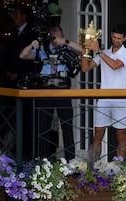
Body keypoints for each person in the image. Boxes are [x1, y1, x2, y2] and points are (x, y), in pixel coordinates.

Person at [19, 24, 82, 161]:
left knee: (66, 125)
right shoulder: (43, 49)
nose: (55, 36)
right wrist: (31, 44)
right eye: (53, 34)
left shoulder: (67, 47)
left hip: (63, 89)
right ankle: (44, 160)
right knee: (43, 126)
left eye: (57, 33)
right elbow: (23, 55)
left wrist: (64, 41)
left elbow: (83, 51)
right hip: (45, 90)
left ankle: (70, 160)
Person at [81, 24, 126, 160]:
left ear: (124, 39)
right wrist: (84, 49)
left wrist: (98, 51)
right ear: (111, 36)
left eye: (119, 38)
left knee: (121, 134)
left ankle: (119, 168)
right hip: (104, 98)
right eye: (114, 37)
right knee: (98, 133)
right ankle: (91, 168)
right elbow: (85, 68)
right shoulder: (105, 52)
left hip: (121, 98)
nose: (116, 40)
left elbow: (115, 66)